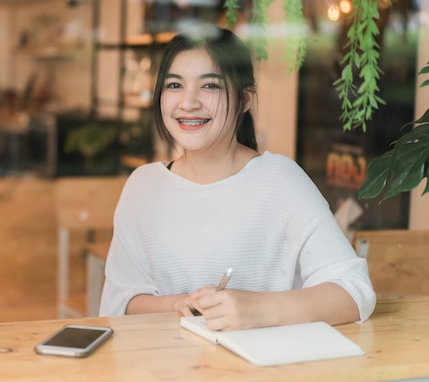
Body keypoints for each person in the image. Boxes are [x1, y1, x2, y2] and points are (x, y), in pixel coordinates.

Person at [98, 27, 376, 330]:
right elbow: (121, 302)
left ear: (244, 99)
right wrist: (176, 304)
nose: (188, 102)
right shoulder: (143, 186)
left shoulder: (280, 181)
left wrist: (258, 309)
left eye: (210, 86)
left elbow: (353, 291)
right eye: (175, 84)